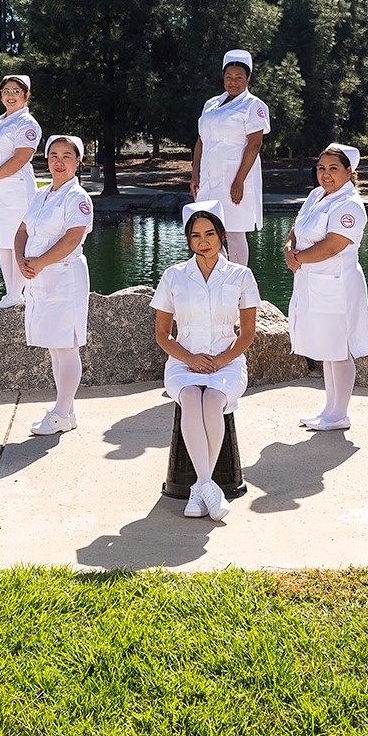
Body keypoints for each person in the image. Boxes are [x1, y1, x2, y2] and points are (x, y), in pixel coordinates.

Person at [152, 202, 261, 521]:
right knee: (189, 396)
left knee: (212, 400)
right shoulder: (174, 276)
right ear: (188, 239)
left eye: (210, 233)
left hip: (227, 361)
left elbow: (247, 333)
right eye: (196, 235)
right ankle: (206, 486)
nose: (203, 240)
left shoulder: (241, 275)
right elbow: (162, 334)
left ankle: (200, 489)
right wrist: (190, 359)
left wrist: (219, 360)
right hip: (182, 361)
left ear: (222, 235)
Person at [285, 144, 368, 432]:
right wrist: (289, 248)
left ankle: (339, 414)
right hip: (312, 281)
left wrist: (298, 258)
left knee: (340, 348)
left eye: (333, 168)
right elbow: (296, 228)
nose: (325, 174)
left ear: (349, 172)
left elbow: (333, 245)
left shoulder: (350, 205)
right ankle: (329, 410)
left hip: (338, 284)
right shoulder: (315, 195)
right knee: (327, 347)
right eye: (321, 168)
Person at [16, 136, 95, 435]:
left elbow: (72, 239)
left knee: (67, 347)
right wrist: (21, 259)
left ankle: (62, 412)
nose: (58, 161)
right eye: (53, 155)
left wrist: (39, 262)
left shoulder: (78, 198)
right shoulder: (41, 194)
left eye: (66, 155)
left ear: (78, 162)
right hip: (40, 278)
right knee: (54, 347)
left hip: (64, 276)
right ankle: (67, 410)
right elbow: (22, 230)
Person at [193, 50, 271, 266]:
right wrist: (195, 174)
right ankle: (218, 273)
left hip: (235, 177)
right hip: (209, 178)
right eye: (229, 77)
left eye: (239, 77)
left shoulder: (253, 106)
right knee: (208, 229)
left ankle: (238, 279)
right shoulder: (210, 104)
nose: (233, 82)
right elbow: (201, 140)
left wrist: (239, 181)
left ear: (248, 79)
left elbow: (255, 144)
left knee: (235, 231)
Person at [0, 74, 41, 307]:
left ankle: (16, 293)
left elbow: (22, 157)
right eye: (6, 91)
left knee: (19, 241)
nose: (10, 95)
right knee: (2, 242)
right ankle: (11, 293)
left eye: (16, 91)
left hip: (15, 192)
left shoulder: (27, 123)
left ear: (26, 95)